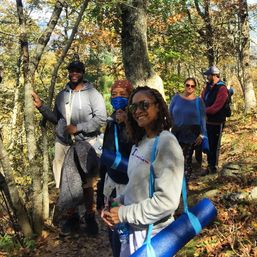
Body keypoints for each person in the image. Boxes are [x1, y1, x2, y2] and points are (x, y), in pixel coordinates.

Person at [101, 86, 184, 256]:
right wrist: (116, 203)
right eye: (133, 107)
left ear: (158, 106)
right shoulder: (139, 143)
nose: (138, 110)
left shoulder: (166, 143)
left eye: (144, 105)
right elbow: (136, 186)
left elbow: (167, 202)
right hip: (134, 232)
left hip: (154, 236)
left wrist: (124, 214)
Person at [32, 60, 107, 236]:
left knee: (87, 182)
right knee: (65, 183)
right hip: (63, 143)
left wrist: (78, 127)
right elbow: (58, 120)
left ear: (83, 72)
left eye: (78, 70)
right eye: (71, 70)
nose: (74, 73)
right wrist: (41, 107)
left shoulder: (93, 94)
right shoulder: (61, 95)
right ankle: (72, 218)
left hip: (85, 143)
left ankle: (89, 217)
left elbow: (101, 119)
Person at [97, 79, 133, 257]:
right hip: (112, 186)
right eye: (114, 95)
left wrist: (127, 123)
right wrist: (99, 198)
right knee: (115, 231)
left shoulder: (138, 122)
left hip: (132, 188)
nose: (118, 98)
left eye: (123, 95)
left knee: (130, 232)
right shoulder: (110, 122)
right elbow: (105, 158)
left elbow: (137, 150)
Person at [169, 77, 206, 182]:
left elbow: (203, 119)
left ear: (195, 88)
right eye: (187, 85)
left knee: (186, 159)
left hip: (191, 134)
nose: (190, 87)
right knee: (174, 158)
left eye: (192, 86)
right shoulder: (176, 98)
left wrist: (202, 134)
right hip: (176, 133)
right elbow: (169, 114)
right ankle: (174, 183)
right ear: (184, 85)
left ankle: (184, 185)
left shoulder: (199, 101)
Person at [201, 66, 228, 174]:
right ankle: (209, 165)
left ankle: (213, 166)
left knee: (215, 144)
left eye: (208, 75)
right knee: (208, 143)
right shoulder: (207, 87)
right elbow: (201, 99)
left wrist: (205, 111)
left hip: (217, 122)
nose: (207, 77)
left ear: (214, 75)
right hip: (207, 121)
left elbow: (218, 105)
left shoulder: (222, 88)